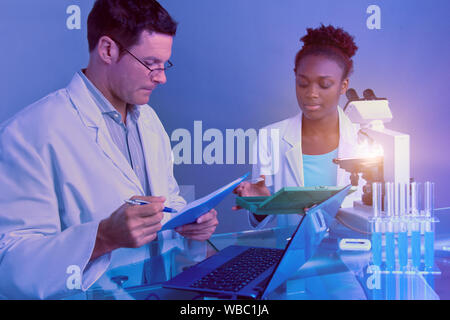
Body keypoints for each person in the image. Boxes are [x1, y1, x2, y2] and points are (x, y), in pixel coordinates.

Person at [0, 0, 218, 299]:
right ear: (107, 50)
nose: (161, 76)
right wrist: (102, 237)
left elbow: (168, 201)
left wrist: (190, 225)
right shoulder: (29, 132)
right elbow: (10, 265)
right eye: (150, 63)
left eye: (164, 64)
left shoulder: (149, 120)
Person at [233, 25, 362, 229]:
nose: (311, 93)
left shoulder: (365, 139)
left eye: (324, 85)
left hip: (353, 255)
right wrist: (262, 204)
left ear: (343, 86)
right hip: (293, 256)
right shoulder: (271, 137)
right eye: (302, 83)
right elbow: (261, 223)